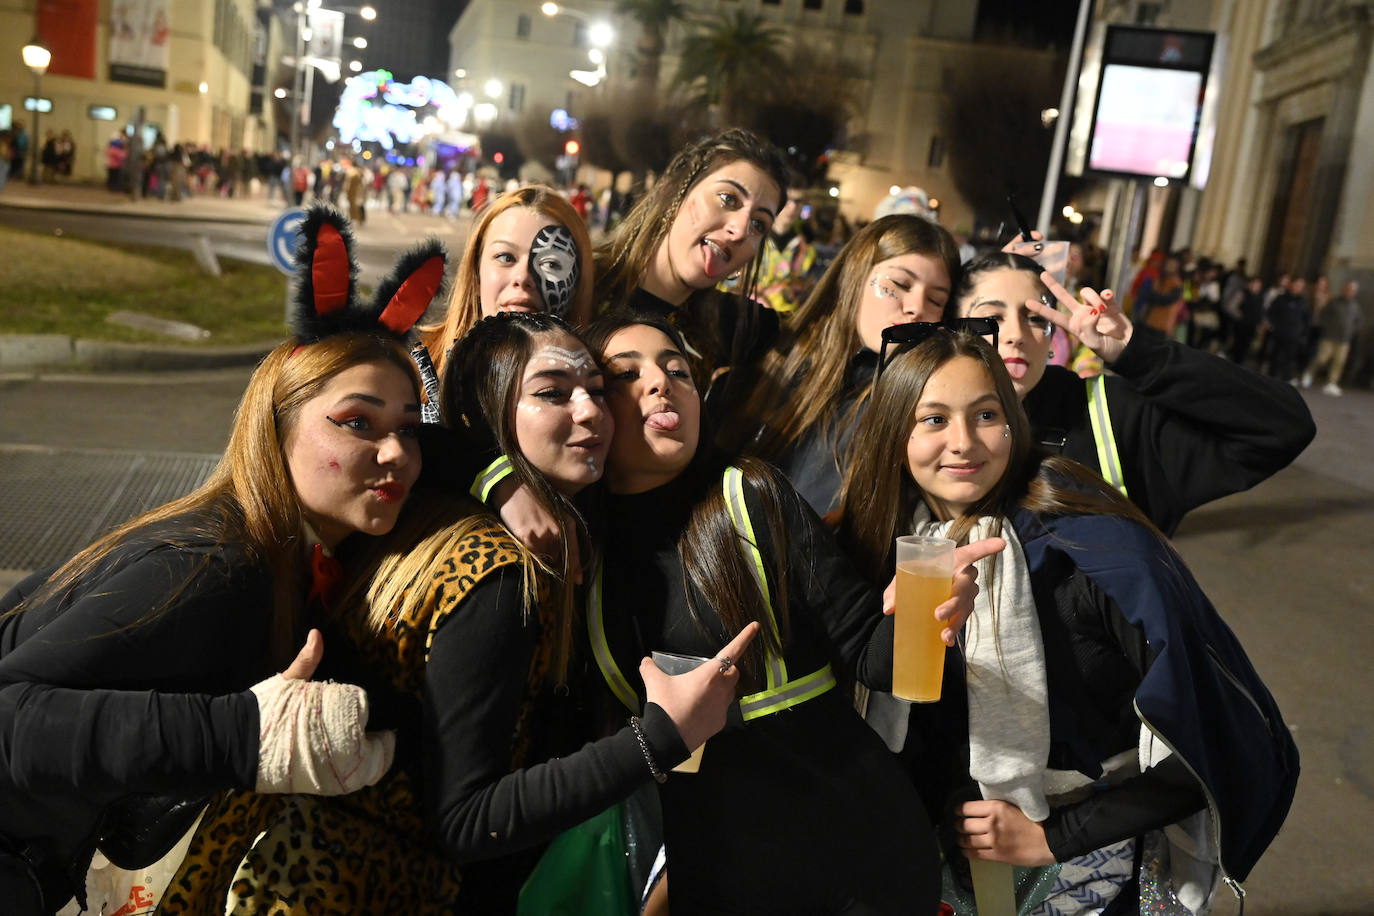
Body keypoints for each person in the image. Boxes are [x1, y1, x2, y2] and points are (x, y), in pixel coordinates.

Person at [159, 312, 755, 913]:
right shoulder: (499, 575)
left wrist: (496, 476)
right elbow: (466, 819)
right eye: (551, 393)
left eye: (597, 391)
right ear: (491, 414)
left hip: (275, 856)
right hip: (343, 889)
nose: (590, 412)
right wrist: (655, 741)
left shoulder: (432, 505)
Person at [0, 205, 443, 915]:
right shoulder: (216, 564)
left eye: (409, 431)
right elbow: (12, 719)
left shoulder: (295, 563)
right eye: (358, 422)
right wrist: (242, 734)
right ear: (278, 427)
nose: (396, 454)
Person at [836, 330, 1297, 914]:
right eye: (933, 420)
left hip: (1090, 867)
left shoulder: (1092, 549)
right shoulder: (887, 541)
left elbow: (1224, 737)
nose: (963, 443)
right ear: (894, 433)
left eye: (985, 414)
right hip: (949, 863)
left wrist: (1053, 836)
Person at [577, 313, 1000, 914]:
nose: (661, 383)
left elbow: (874, 657)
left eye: (678, 370)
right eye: (627, 374)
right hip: (718, 871)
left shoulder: (748, 496)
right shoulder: (576, 555)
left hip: (854, 853)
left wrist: (933, 610)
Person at [950, 252, 1314, 536]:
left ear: (1052, 337)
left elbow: (1284, 426)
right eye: (992, 317)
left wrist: (1138, 354)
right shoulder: (917, 421)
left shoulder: (1108, 414)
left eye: (1034, 318)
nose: (1015, 334)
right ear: (952, 329)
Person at [722, 214, 962, 515]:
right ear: (856, 275)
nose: (917, 307)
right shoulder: (774, 346)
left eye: (936, 301)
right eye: (900, 284)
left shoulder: (911, 398)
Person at [592, 127, 791, 396]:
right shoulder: (582, 284)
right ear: (678, 192)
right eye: (727, 198)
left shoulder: (724, 324)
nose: (741, 229)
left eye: (759, 223)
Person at [414, 184, 595, 423]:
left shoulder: (598, 393)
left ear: (578, 281)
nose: (522, 278)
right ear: (476, 274)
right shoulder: (411, 371)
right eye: (505, 257)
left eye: (551, 264)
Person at [1304, 279, 1362, 395]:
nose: (1350, 292)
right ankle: (1309, 373)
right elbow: (1323, 315)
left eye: (1353, 290)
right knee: (1321, 358)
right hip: (1330, 337)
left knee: (1339, 362)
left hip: (1344, 340)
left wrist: (1351, 331)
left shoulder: (1355, 306)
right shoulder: (1334, 302)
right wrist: (1326, 327)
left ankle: (1331, 383)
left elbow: (1358, 321)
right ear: (1344, 289)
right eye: (1349, 289)